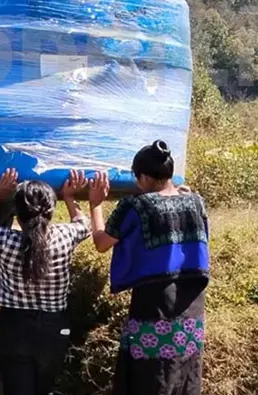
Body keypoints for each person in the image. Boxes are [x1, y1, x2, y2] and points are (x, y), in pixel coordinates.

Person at [88, 141, 210, 395]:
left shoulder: (135, 206)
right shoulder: (196, 201)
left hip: (155, 306)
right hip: (192, 308)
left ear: (143, 177)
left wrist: (95, 205)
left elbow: (101, 243)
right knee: (184, 374)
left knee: (150, 377)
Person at [0, 168, 90, 395]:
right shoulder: (65, 237)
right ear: (51, 211)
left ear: (17, 214)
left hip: (13, 327)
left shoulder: (5, 240)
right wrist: (70, 197)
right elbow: (84, 225)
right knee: (44, 389)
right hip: (53, 329)